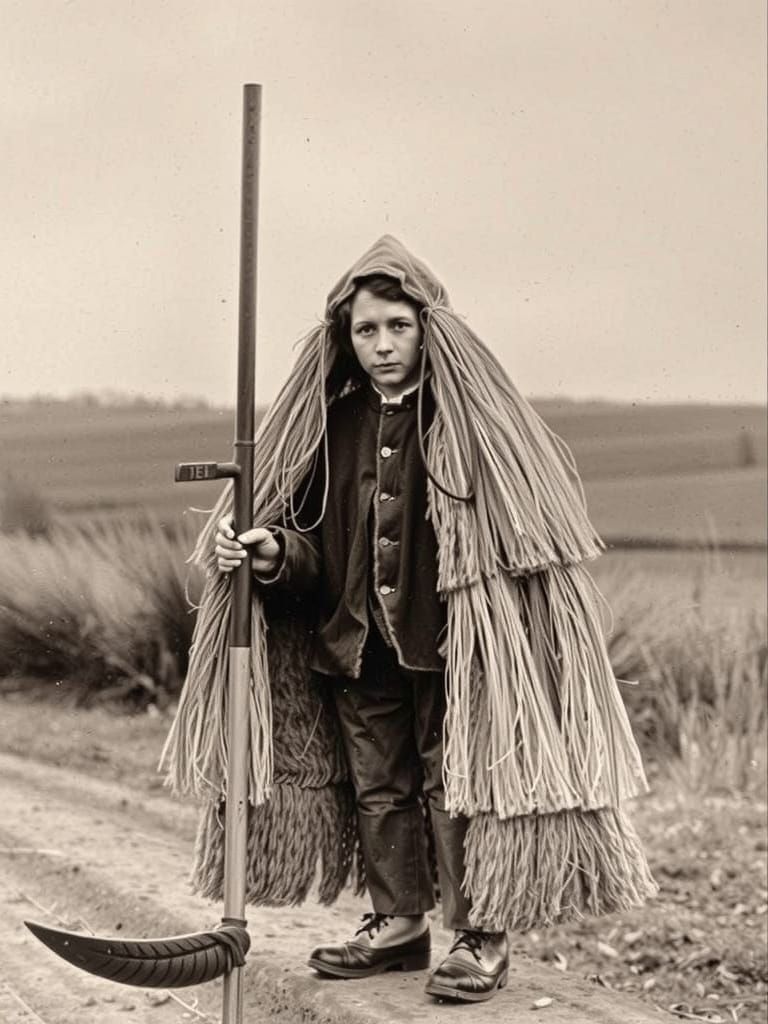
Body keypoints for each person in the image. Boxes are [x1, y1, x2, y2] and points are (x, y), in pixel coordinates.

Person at [163, 234, 657, 1007]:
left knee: (454, 785)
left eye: (397, 326)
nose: (382, 344)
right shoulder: (332, 425)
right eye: (366, 330)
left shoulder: (474, 423)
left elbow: (519, 542)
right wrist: (270, 555)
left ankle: (478, 933)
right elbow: (315, 549)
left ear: (428, 327)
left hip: (452, 647)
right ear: (345, 335)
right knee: (378, 786)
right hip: (355, 646)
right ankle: (398, 923)